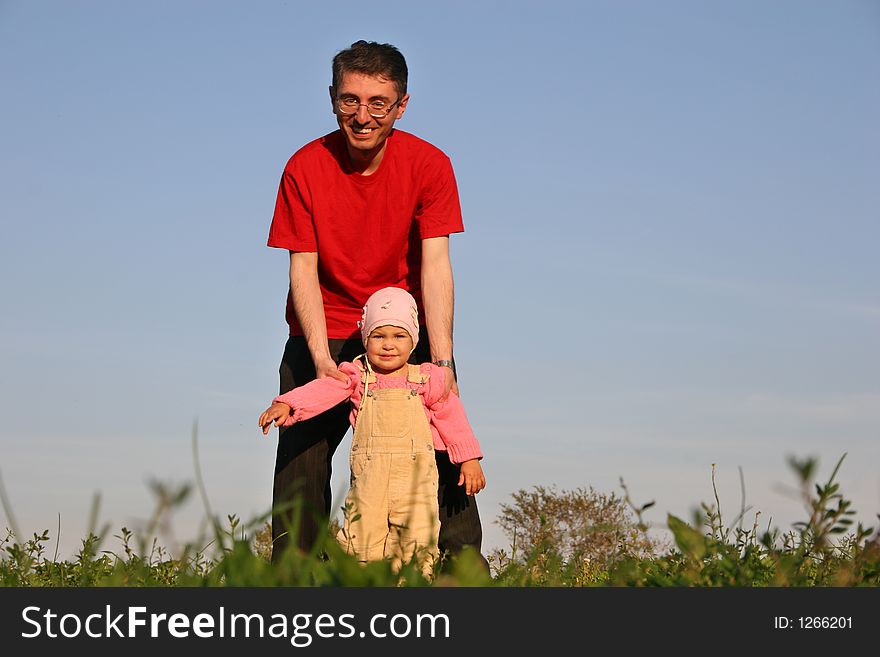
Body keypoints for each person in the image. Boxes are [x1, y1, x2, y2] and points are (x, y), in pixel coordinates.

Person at [266, 39, 488, 568]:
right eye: (349, 100)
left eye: (377, 103)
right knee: (302, 452)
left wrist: (443, 359)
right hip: (325, 326)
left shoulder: (430, 165)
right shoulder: (304, 166)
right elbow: (303, 267)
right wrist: (320, 357)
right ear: (332, 98)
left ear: (401, 105)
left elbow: (435, 265)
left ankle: (462, 571)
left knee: (438, 438)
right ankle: (294, 574)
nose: (362, 116)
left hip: (401, 333)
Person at [259, 287, 485, 576]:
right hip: (369, 485)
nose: (388, 345)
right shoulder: (356, 377)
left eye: (398, 336)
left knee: (416, 547)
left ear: (414, 340)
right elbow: (324, 390)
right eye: (378, 336)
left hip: (416, 486)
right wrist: (290, 404)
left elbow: (452, 418)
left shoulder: (427, 380)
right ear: (366, 339)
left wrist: (468, 458)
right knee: (361, 546)